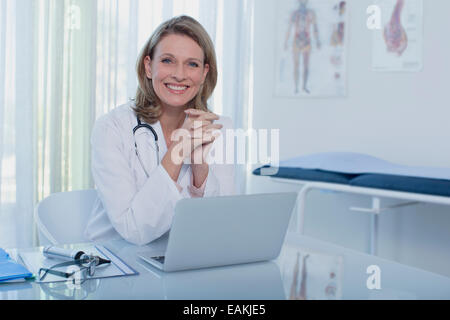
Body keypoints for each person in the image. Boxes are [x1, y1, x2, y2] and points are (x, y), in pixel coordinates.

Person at [85, 16, 235, 246]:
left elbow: (222, 227)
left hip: (181, 260)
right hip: (115, 261)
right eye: (168, 60)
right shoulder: (111, 128)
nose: (179, 74)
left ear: (204, 73)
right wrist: (178, 150)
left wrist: (200, 172)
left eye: (192, 64)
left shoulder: (219, 128)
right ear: (148, 66)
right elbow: (134, 229)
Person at [284, 0, 321, 94]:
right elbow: (289, 27)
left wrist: (317, 41)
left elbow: (315, 28)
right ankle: (296, 87)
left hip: (306, 41)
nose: (302, 3)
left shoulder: (311, 13)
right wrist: (286, 41)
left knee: (306, 66)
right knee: (296, 65)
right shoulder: (294, 14)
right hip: (296, 41)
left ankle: (304, 86)